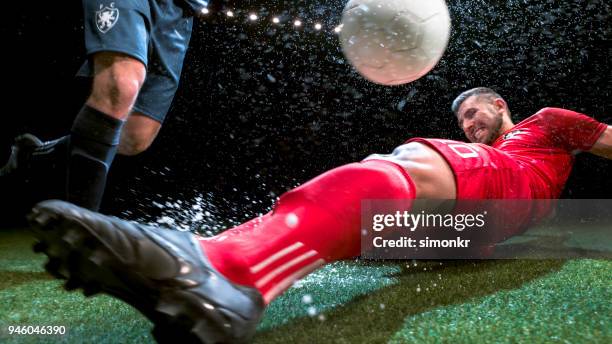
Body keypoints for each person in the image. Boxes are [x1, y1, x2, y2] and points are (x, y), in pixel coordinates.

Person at [28, 88, 612, 343]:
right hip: (480, 234)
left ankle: (226, 268)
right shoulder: (487, 152)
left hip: (515, 192)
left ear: (501, 105)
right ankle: (212, 251)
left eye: (474, 113)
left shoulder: (544, 125)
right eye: (461, 120)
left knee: (408, 159)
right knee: (372, 223)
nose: (467, 124)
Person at [1, 0, 209, 211]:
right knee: (121, 84)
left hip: (178, 9)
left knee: (134, 136)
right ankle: (80, 227)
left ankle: (32, 156)